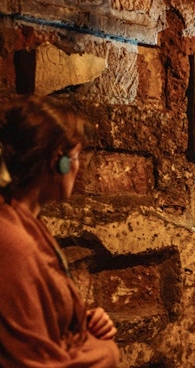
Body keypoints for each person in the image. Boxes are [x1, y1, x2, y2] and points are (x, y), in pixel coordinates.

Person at [0, 95, 120, 367]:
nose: (78, 167)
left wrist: (81, 321)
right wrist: (103, 352)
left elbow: (39, 313)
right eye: (76, 156)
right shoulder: (13, 244)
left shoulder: (27, 223)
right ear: (59, 162)